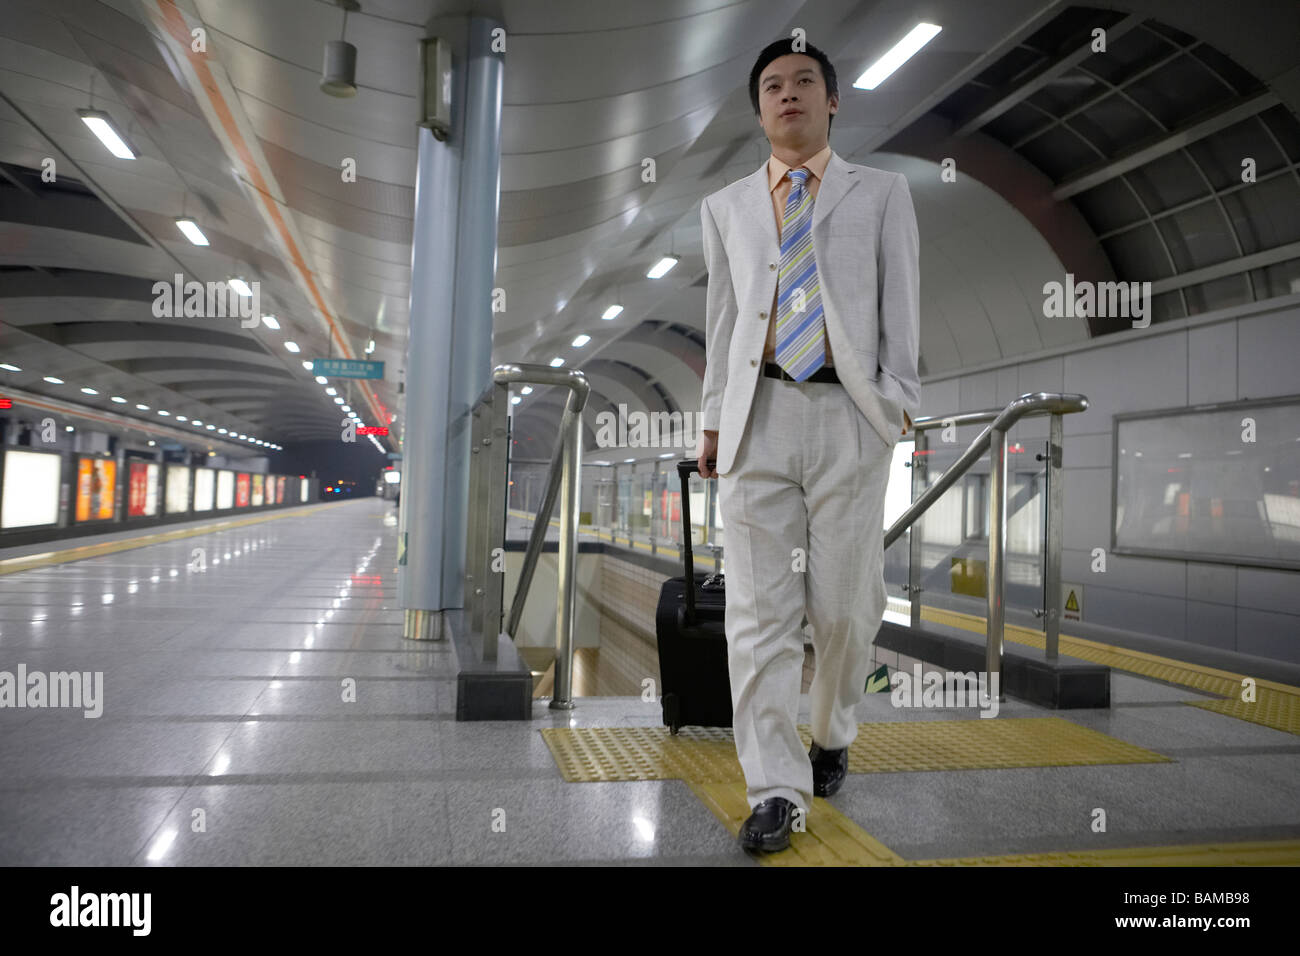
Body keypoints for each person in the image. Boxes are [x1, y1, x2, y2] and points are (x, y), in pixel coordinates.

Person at [695, 38, 920, 853]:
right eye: (772, 86)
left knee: (843, 610)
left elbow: (903, 308)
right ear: (758, 108)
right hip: (758, 419)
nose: (787, 94)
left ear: (833, 101)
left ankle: (833, 727)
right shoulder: (725, 207)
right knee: (757, 617)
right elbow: (722, 323)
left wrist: (896, 403)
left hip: (848, 419)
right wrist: (714, 421)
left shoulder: (883, 193)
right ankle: (777, 790)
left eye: (803, 83)